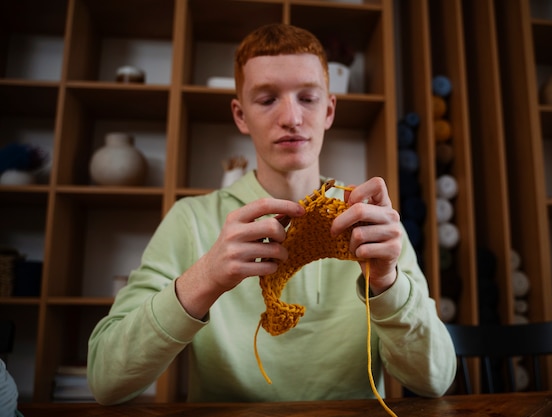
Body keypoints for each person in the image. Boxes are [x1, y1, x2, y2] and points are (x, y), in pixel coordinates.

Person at [87, 23, 456, 405]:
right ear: (241, 115)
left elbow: (435, 380)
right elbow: (106, 381)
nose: (291, 118)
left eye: (308, 98)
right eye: (266, 100)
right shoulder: (191, 220)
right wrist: (206, 277)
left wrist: (387, 282)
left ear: (329, 110)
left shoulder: (371, 222)